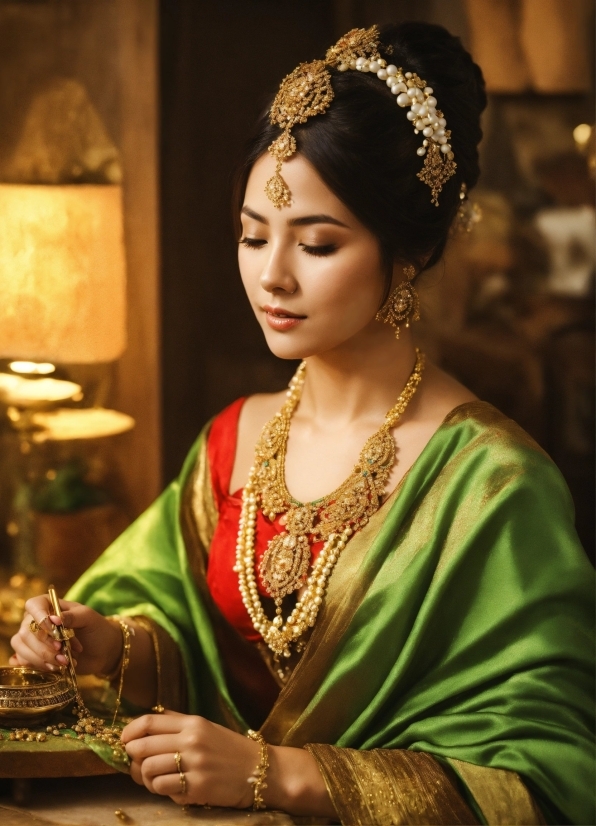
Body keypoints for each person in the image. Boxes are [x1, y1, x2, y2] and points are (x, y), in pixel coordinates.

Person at [11, 22, 594, 826]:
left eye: (316, 244)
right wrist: (107, 643)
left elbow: (543, 783)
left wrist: (278, 775)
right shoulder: (235, 440)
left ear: (409, 253)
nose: (270, 275)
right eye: (253, 235)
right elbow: (195, 646)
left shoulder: (493, 486)